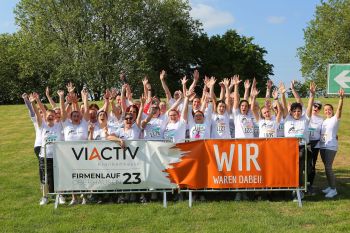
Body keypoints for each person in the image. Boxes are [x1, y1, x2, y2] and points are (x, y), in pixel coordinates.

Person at [29, 93, 64, 205]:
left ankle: (60, 195)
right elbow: (37, 114)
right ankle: (45, 197)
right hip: (44, 156)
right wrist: (33, 102)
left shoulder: (59, 125)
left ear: (54, 117)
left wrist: (62, 98)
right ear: (45, 116)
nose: (50, 116)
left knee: (58, 176)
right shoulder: (42, 125)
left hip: (57, 156)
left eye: (52, 115)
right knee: (45, 177)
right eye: (48, 115)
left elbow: (62, 111)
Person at [282, 82, 316, 200]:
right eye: (294, 111)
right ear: (291, 112)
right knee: (290, 170)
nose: (297, 113)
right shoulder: (287, 118)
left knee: (299, 169)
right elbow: (284, 106)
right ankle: (292, 189)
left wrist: (312, 95)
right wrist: (282, 95)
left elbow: (310, 107)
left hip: (302, 148)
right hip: (289, 148)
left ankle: (298, 190)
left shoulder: (305, 119)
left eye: (298, 111)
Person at [319, 88, 344, 198]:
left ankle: (333, 189)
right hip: (323, 146)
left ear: (332, 111)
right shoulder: (324, 121)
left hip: (331, 146)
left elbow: (340, 109)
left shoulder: (335, 119)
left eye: (329, 109)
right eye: (325, 110)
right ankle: (330, 186)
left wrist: (341, 98)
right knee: (326, 167)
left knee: (328, 167)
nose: (327, 111)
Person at [307, 100, 323, 195]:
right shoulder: (306, 115)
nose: (316, 108)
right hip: (305, 144)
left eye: (318, 107)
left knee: (312, 166)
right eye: (315, 106)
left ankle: (309, 185)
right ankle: (300, 185)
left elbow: (323, 132)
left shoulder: (321, 120)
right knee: (302, 165)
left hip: (315, 145)